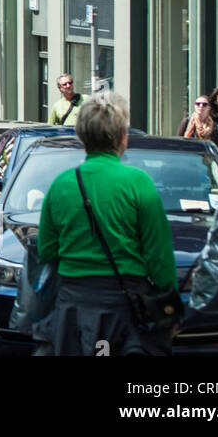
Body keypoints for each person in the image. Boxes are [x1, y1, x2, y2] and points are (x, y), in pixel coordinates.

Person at [32, 91, 177, 355]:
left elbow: (47, 251)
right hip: (126, 306)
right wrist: (169, 304)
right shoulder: (138, 183)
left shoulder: (61, 185)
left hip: (74, 306)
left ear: (82, 136)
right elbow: (160, 258)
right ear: (122, 136)